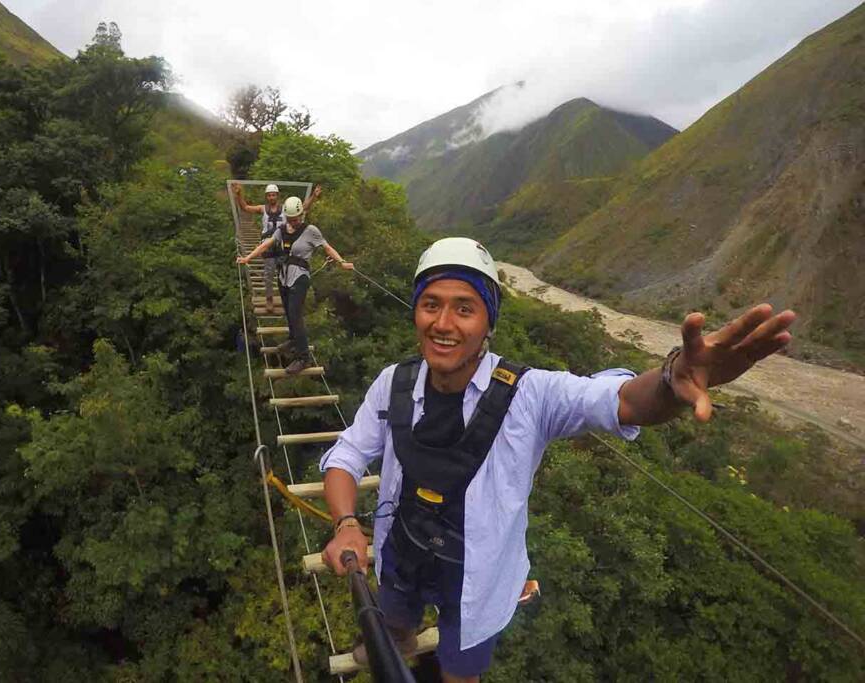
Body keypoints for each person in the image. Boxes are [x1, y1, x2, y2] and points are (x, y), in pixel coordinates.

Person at [317, 237, 796, 682]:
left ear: (489, 322)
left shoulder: (529, 394)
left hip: (477, 577)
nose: (443, 324)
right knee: (396, 611)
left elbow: (619, 400)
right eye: (430, 305)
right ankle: (397, 634)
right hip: (403, 548)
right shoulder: (394, 383)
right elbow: (349, 452)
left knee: (461, 668)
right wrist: (345, 524)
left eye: (465, 308)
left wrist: (672, 379)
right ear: (416, 312)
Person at [236, 195, 354, 375]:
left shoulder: (311, 230)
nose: (294, 222)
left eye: (297, 218)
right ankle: (293, 338)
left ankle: (303, 357)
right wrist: (248, 258)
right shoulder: (282, 230)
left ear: (301, 214)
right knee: (287, 311)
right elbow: (267, 244)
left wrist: (341, 262)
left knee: (295, 313)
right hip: (283, 276)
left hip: (300, 277)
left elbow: (327, 247)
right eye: (291, 219)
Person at [233, 183, 322, 313]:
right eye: (269, 195)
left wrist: (313, 196)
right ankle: (269, 299)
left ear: (277, 196)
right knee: (269, 273)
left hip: (283, 244)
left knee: (285, 271)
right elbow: (245, 207)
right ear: (266, 197)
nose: (271, 197)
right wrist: (239, 194)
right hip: (269, 245)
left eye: (273, 195)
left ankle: (286, 295)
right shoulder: (262, 209)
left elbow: (302, 208)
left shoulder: (286, 209)